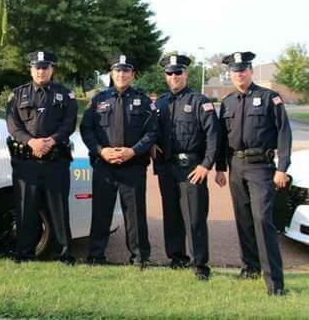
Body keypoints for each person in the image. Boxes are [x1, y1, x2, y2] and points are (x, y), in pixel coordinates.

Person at [215, 51, 292, 296]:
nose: (239, 74)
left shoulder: (270, 97)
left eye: (243, 70)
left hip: (261, 167)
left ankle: (275, 283)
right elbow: (221, 140)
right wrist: (219, 167)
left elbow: (284, 134)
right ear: (231, 74)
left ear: (251, 71)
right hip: (236, 166)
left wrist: (282, 168)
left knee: (262, 220)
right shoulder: (227, 102)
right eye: (234, 71)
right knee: (244, 220)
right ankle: (250, 267)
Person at [80, 55, 157, 268]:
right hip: (105, 165)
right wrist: (101, 151)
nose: (121, 75)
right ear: (112, 74)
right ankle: (96, 256)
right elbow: (87, 129)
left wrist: (133, 151)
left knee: (135, 214)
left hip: (133, 166)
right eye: (117, 71)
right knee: (101, 212)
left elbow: (151, 132)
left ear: (132, 74)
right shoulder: (98, 101)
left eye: (126, 71)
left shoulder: (143, 101)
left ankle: (140, 257)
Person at [152, 54, 220, 281]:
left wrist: (206, 165)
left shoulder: (199, 101)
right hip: (167, 168)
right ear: (165, 76)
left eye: (178, 72)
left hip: (192, 168)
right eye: (169, 73)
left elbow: (213, 137)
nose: (174, 77)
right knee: (171, 216)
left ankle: (200, 264)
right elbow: (151, 131)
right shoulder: (160, 103)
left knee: (194, 218)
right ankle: (177, 258)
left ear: (186, 74)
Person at [6, 51, 77, 264]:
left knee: (58, 209)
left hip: (55, 161)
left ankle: (63, 255)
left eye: (45, 67)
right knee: (25, 209)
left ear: (52, 69)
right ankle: (25, 254)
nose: (41, 71)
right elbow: (13, 125)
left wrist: (51, 141)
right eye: (37, 67)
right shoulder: (18, 95)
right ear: (31, 69)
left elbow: (69, 123)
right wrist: (32, 142)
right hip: (26, 162)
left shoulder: (65, 95)